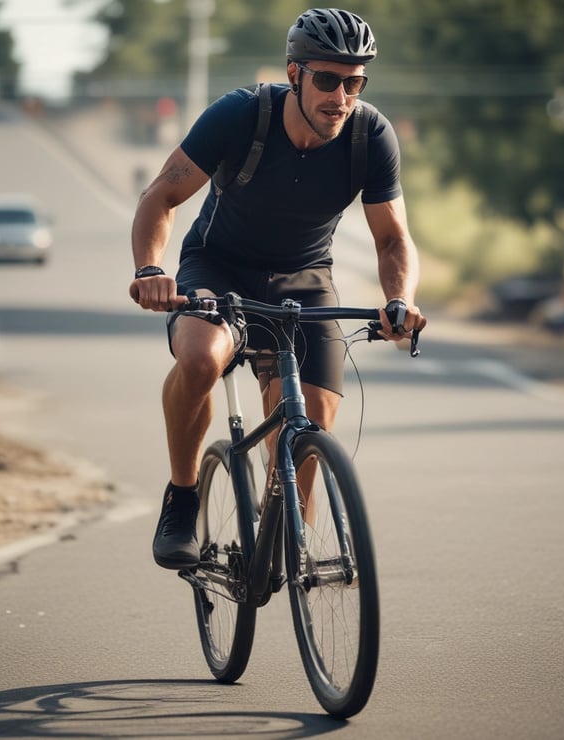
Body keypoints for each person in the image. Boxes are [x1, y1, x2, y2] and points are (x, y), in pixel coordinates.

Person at [129, 8, 427, 569]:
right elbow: (160, 196)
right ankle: (182, 496)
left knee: (310, 418)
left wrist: (400, 301)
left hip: (304, 277)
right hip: (219, 268)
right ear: (294, 73)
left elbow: (393, 239)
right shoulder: (241, 115)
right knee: (201, 357)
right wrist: (150, 271)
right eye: (327, 80)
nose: (341, 97)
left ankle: (285, 526)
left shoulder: (370, 135)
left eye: (355, 82)